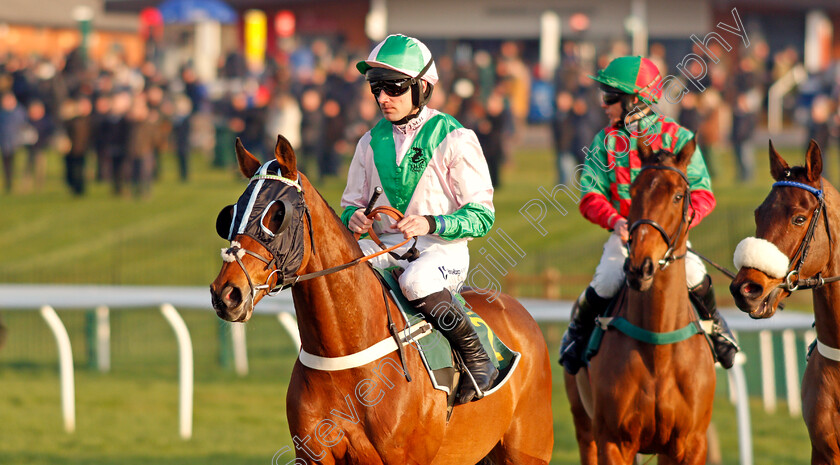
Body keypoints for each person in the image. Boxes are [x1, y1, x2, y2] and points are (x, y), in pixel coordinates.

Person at [340, 34, 497, 403]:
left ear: (422, 87)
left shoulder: (456, 138)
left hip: (440, 252)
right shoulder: (368, 142)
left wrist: (431, 223)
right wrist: (355, 218)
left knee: (415, 281)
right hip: (384, 246)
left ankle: (478, 358)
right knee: (343, 270)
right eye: (376, 88)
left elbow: (483, 216)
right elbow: (349, 204)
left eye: (393, 88)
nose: (383, 98)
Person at [558, 56, 739, 375]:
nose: (604, 104)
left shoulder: (678, 138)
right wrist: (615, 221)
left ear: (636, 99)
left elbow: (703, 194)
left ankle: (716, 327)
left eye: (610, 96)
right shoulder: (605, 142)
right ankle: (576, 335)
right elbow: (590, 195)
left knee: (696, 275)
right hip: (626, 236)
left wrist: (678, 226)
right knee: (607, 278)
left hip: (671, 237)